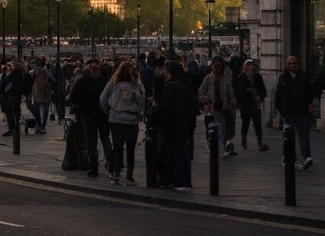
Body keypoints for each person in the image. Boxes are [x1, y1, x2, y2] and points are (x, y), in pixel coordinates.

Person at [151, 60, 198, 191]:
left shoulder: (170, 86)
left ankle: (181, 182)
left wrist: (153, 114)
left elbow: (164, 107)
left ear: (169, 73)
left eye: (165, 72)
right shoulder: (185, 85)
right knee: (178, 155)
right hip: (184, 125)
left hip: (173, 126)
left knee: (177, 155)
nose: (162, 74)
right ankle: (176, 180)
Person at [100, 60, 145, 186]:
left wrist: (108, 111)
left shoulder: (112, 83)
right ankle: (129, 177)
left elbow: (102, 99)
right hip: (132, 119)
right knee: (131, 149)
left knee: (118, 147)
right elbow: (142, 102)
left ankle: (116, 174)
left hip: (116, 118)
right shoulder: (137, 84)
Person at [68, 58, 110, 179]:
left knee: (91, 143)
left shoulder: (82, 81)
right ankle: (111, 165)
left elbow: (73, 97)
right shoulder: (105, 81)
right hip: (103, 115)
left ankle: (93, 169)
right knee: (105, 140)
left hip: (87, 115)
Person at [274, 55, 315, 169]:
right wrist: (278, 111)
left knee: (303, 136)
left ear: (298, 64)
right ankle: (286, 157)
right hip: (288, 112)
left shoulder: (304, 76)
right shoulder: (283, 77)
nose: (292, 66)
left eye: (294, 63)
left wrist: (310, 104)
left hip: (302, 111)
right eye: (290, 63)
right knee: (287, 137)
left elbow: (309, 92)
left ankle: (306, 157)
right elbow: (278, 95)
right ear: (286, 65)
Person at [198, 57, 238, 157]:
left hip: (224, 109)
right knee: (215, 130)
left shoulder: (225, 80)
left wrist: (231, 104)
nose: (217, 70)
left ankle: (222, 148)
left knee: (223, 130)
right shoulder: (208, 79)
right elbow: (200, 94)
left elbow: (231, 95)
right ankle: (218, 148)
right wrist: (207, 100)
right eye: (215, 67)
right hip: (212, 109)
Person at [234, 60, 268, 151]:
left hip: (255, 104)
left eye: (252, 68)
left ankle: (260, 143)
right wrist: (239, 102)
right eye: (248, 67)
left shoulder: (257, 77)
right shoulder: (241, 77)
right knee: (245, 123)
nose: (251, 70)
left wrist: (260, 97)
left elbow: (263, 90)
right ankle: (244, 140)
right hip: (245, 104)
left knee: (257, 124)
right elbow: (238, 91)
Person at [32, 62, 54, 136]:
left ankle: (40, 126)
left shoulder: (36, 72)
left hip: (40, 94)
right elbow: (53, 80)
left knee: (39, 111)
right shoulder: (46, 72)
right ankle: (41, 126)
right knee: (43, 111)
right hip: (43, 94)